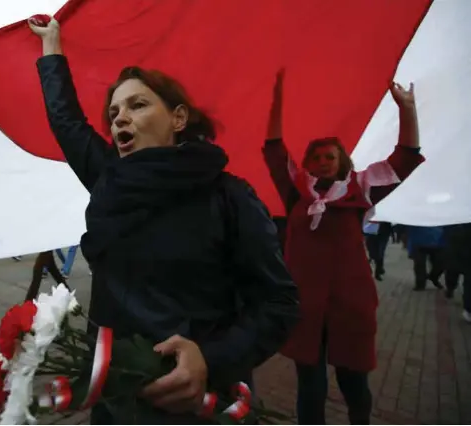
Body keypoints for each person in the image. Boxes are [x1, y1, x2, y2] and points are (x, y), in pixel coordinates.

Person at [29, 15, 300, 424]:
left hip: (197, 402)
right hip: (116, 399)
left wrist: (209, 359)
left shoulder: (229, 195)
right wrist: (52, 47)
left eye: (138, 105)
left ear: (178, 119)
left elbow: (279, 304)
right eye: (114, 111)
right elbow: (66, 120)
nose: (120, 117)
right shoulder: (109, 181)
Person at [263, 70, 424, 424]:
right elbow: (274, 150)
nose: (322, 161)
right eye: (316, 157)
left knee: (354, 386)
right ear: (307, 163)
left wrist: (407, 109)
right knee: (310, 386)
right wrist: (275, 102)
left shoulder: (361, 189)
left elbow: (405, 159)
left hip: (350, 306)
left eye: (330, 156)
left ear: (342, 161)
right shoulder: (295, 193)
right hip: (305, 305)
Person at [443, 223, 471, 322]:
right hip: (458, 253)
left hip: (456, 253)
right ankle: (468, 309)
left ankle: (468, 309)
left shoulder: (455, 221)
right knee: (455, 275)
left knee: (454, 274)